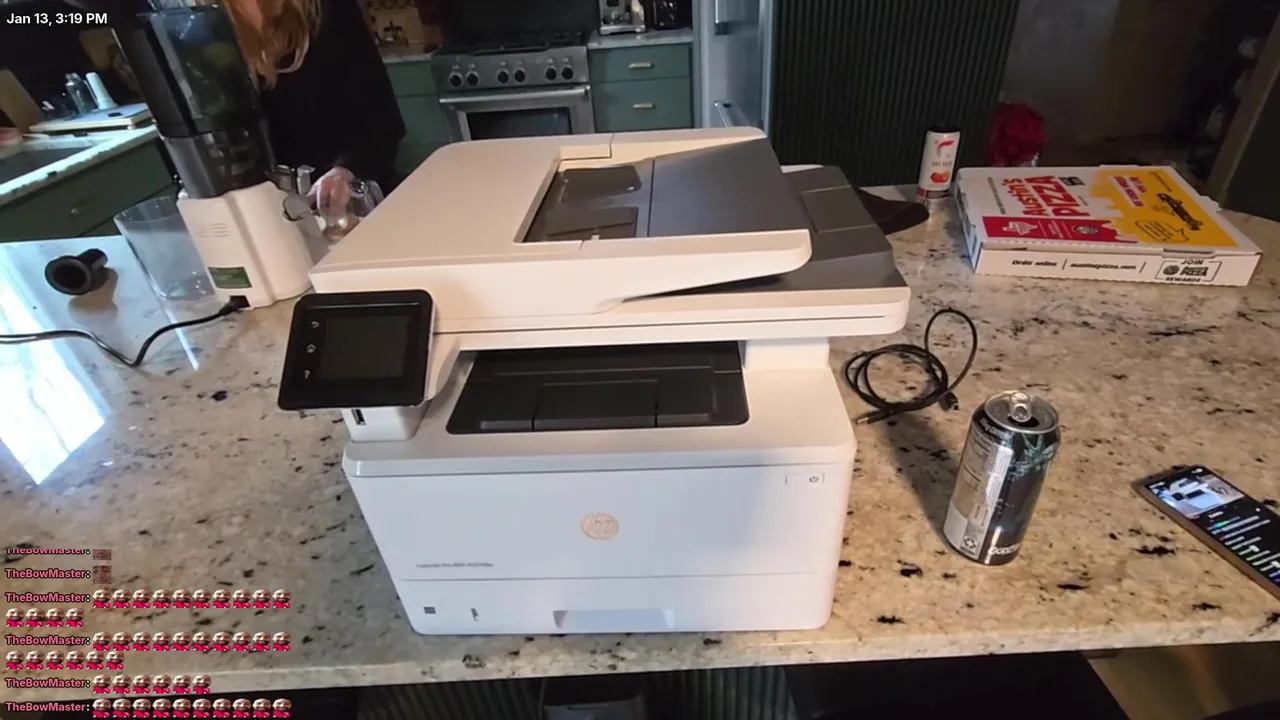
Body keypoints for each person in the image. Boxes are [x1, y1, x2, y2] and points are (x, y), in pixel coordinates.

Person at [221, 0, 405, 213]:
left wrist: (344, 172)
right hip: (264, 216)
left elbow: (383, 120)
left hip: (354, 208)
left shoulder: (324, 8)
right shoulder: (201, 29)